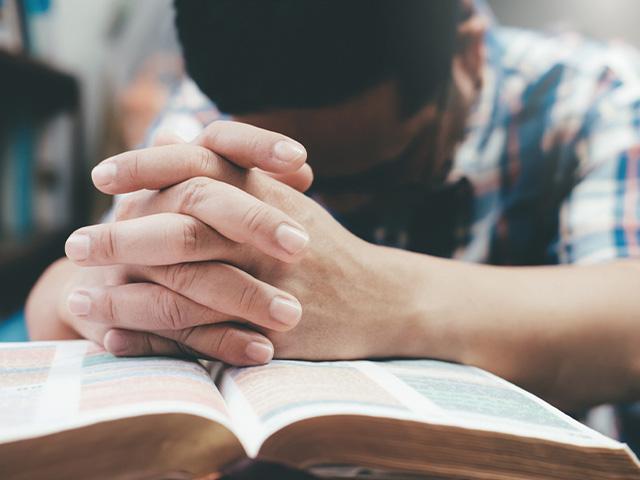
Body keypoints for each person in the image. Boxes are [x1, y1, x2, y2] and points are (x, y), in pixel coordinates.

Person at [25, 0, 640, 419]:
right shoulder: (222, 103)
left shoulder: (600, 97)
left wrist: (378, 297)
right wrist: (98, 290)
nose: (332, 201)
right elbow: (65, 295)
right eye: (287, 171)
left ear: (469, 54)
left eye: (378, 171)